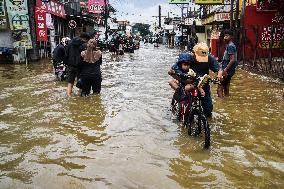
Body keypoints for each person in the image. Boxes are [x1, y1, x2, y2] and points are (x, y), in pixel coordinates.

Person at [217, 29, 238, 98]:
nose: (225, 37)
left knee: (219, 89)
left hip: (227, 70)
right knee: (226, 88)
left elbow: (232, 60)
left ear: (231, 37)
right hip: (229, 70)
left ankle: (222, 105)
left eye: (227, 36)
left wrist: (225, 70)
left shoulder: (230, 46)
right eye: (224, 36)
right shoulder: (230, 45)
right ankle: (227, 103)